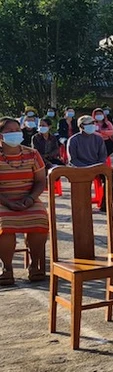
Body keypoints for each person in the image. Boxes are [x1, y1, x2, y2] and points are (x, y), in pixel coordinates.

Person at [0, 117, 49, 286]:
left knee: (40, 219)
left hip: (28, 198)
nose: (14, 133)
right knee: (4, 226)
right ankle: (7, 268)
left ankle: (34, 265)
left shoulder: (32, 154)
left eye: (16, 130)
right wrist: (7, 203)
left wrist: (30, 198)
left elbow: (41, 181)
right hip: (3, 201)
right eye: (9, 131)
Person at [67, 115, 113, 212]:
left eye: (93, 123)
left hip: (96, 166)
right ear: (82, 126)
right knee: (82, 180)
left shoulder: (98, 139)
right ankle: (83, 205)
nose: (93, 125)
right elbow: (73, 160)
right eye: (90, 123)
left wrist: (98, 166)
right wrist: (87, 168)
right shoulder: (73, 140)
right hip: (80, 168)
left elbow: (102, 156)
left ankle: (105, 204)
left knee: (111, 176)